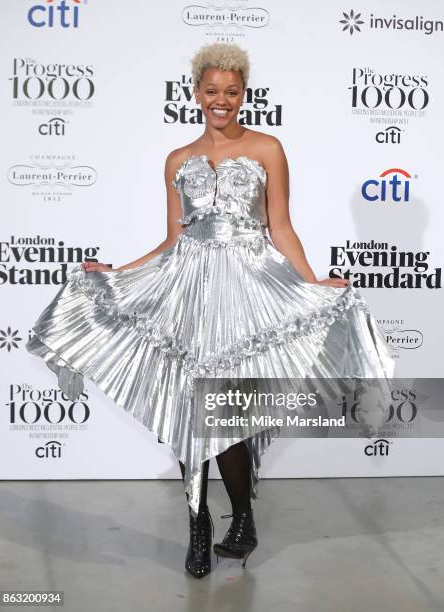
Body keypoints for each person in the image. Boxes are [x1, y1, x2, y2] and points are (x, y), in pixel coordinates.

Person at [26, 42, 395, 579]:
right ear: (196, 93)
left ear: (243, 94)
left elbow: (281, 225)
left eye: (232, 91)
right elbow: (171, 239)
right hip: (188, 290)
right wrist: (112, 272)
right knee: (188, 412)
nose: (221, 100)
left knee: (228, 413)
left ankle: (242, 517)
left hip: (248, 290)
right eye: (212, 91)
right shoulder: (177, 160)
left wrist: (314, 285)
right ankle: (198, 526)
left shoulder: (268, 147)